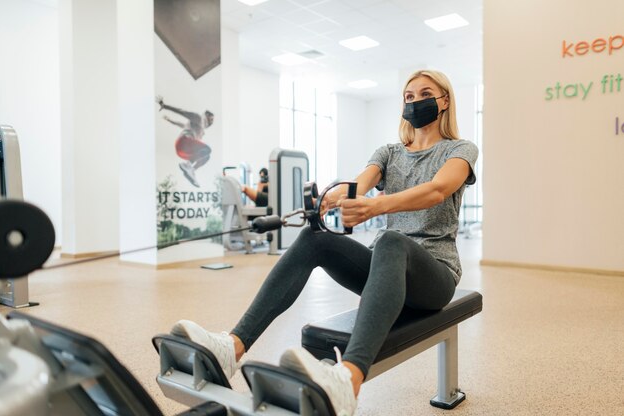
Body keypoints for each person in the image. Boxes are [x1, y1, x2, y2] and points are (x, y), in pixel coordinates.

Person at [171, 70, 478, 415]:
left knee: (391, 240)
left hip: (434, 275)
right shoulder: (390, 152)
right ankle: (232, 346)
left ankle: (348, 380)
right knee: (314, 237)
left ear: (444, 100)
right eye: (408, 96)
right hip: (386, 268)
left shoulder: (460, 150)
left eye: (425, 94)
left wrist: (375, 206)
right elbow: (358, 185)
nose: (415, 101)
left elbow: (437, 190)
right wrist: (332, 200)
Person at [157, 96, 213, 188]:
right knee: (207, 149)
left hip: (183, 151)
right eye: (211, 120)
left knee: (207, 157)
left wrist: (170, 120)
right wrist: (165, 106)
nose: (211, 123)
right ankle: (187, 165)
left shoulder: (199, 129)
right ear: (206, 116)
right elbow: (182, 112)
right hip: (184, 142)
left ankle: (191, 171)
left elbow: (181, 124)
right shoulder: (198, 118)